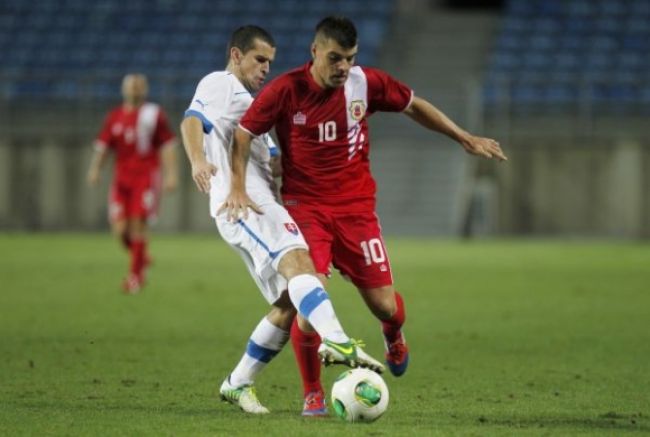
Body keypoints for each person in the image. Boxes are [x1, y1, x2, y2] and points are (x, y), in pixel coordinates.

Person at [221, 16, 508, 416]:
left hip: (357, 211)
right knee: (307, 294)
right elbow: (242, 133)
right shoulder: (286, 90)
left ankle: (393, 336)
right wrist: (237, 184)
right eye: (335, 58)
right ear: (315, 52)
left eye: (350, 59)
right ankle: (313, 394)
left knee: (385, 306)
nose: (343, 68)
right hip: (307, 208)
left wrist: (465, 138)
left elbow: (414, 105)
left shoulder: (365, 83)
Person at [180, 25, 384, 416]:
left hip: (265, 201)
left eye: (270, 63)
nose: (265, 69)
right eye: (259, 60)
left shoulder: (255, 104)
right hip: (245, 203)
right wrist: (197, 160)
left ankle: (237, 383)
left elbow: (271, 159)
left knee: (291, 299)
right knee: (301, 267)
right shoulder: (219, 83)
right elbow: (191, 121)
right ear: (236, 55)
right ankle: (338, 339)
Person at [87, 73, 178, 294]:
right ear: (124, 89)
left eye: (139, 86)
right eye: (131, 86)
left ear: (145, 89)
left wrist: (171, 174)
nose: (135, 89)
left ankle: (135, 278)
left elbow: (167, 145)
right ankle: (141, 257)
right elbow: (103, 147)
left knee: (138, 225)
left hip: (146, 177)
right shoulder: (114, 116)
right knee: (119, 230)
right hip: (121, 179)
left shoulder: (153, 114)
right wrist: (95, 169)